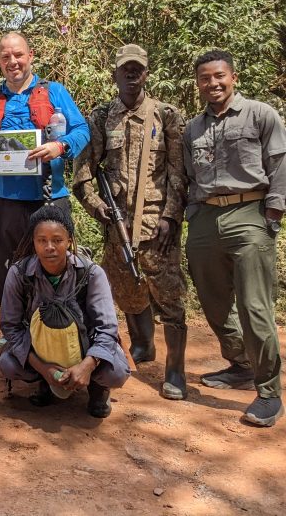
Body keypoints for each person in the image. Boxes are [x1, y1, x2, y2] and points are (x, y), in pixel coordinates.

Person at [72, 44, 188, 400]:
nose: (132, 75)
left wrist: (170, 216)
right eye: (126, 70)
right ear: (115, 75)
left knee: (169, 295)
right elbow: (83, 170)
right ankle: (143, 345)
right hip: (117, 223)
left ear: (146, 74)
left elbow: (178, 173)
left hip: (157, 224)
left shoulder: (165, 115)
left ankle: (175, 371)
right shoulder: (103, 116)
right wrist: (95, 206)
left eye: (138, 69)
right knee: (125, 289)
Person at [183, 50, 285, 427]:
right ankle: (241, 364)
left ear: (233, 77)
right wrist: (193, 214)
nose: (213, 84)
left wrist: (272, 214)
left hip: (249, 213)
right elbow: (190, 175)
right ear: (198, 84)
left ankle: (269, 392)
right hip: (206, 218)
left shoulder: (260, 114)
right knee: (213, 302)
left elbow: (279, 164)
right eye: (205, 78)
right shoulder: (194, 127)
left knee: (254, 308)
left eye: (219, 76)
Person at [0, 31, 90, 307]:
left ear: (30, 56)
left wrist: (59, 147)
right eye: (5, 57)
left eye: (18, 55)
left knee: (55, 264)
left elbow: (82, 130)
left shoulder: (54, 91)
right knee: (4, 267)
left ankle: (58, 326)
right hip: (1, 200)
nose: (13, 61)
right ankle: (12, 330)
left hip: (47, 197)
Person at [0, 205, 130, 418]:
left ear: (69, 241)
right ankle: (44, 381)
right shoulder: (20, 273)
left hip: (85, 349)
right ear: (34, 242)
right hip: (40, 352)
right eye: (42, 240)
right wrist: (43, 368)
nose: (49, 247)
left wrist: (88, 364)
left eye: (57, 240)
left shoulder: (91, 274)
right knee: (8, 364)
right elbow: (10, 327)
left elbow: (107, 327)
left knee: (116, 372)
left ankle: (98, 389)